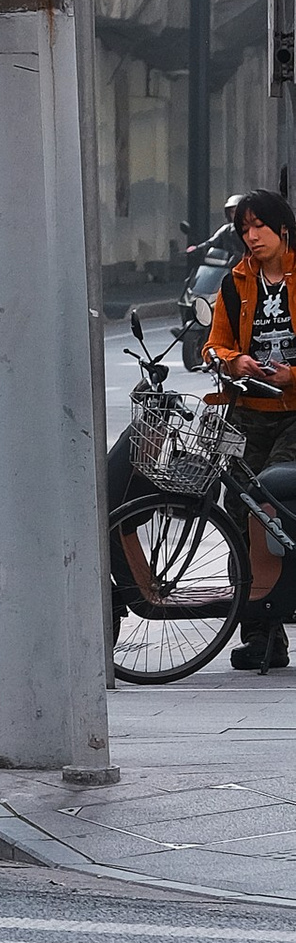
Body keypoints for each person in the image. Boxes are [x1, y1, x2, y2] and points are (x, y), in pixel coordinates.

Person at [209, 188, 296, 671]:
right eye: (245, 229)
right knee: (238, 510)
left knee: (276, 501)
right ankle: (261, 633)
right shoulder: (235, 283)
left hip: (294, 411)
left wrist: (292, 375)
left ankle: (282, 606)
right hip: (248, 412)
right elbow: (214, 345)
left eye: (259, 226)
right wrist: (233, 359)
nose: (252, 236)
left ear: (283, 228)